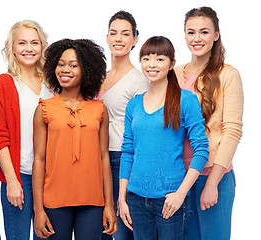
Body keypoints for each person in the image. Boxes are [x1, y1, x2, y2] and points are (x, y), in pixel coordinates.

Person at [119, 36, 209, 240]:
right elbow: (128, 151)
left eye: (160, 59)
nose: (152, 64)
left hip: (170, 199)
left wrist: (181, 194)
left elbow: (201, 149)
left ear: (171, 64)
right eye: (146, 58)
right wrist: (122, 197)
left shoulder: (185, 100)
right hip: (136, 198)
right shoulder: (134, 104)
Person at [32, 38, 117, 240]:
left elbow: (104, 157)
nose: (64, 69)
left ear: (86, 69)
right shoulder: (44, 108)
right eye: (60, 64)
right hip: (54, 201)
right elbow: (39, 160)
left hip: (92, 202)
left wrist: (109, 205)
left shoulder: (99, 109)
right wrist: (38, 210)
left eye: (73, 65)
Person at [174, 7, 243, 240]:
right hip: (180, 178)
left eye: (204, 32)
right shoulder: (173, 74)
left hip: (213, 175)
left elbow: (232, 131)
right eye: (190, 32)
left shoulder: (228, 75)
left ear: (216, 35)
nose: (197, 39)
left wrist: (213, 183)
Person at [0, 20, 53, 240]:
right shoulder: (3, 84)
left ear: (42, 46)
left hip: (50, 177)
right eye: (22, 43)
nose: (29, 48)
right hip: (20, 176)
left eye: (34, 42)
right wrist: (12, 180)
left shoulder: (53, 84)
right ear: (12, 48)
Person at [98, 10, 149, 240]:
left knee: (120, 229)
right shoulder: (99, 77)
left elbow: (142, 132)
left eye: (125, 34)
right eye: (113, 33)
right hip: (96, 159)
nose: (118, 39)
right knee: (100, 229)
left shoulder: (140, 81)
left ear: (134, 39)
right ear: (107, 37)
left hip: (121, 159)